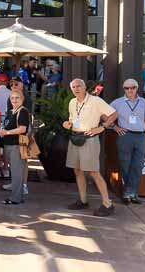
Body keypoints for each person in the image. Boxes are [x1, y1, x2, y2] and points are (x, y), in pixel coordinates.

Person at [63, 78, 117, 217]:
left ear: (85, 87)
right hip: (75, 138)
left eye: (78, 86)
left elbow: (114, 114)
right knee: (78, 171)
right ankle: (83, 200)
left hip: (89, 139)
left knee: (93, 172)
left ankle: (107, 204)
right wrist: (67, 124)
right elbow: (72, 118)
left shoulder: (95, 101)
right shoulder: (72, 102)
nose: (76, 89)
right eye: (73, 87)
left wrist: (102, 127)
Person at [110, 79, 145, 204]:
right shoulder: (117, 102)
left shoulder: (143, 102)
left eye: (132, 87)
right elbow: (105, 115)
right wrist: (115, 127)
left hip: (140, 136)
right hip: (125, 136)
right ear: (124, 89)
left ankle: (129, 193)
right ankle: (131, 193)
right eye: (127, 88)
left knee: (138, 166)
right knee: (125, 165)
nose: (130, 90)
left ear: (137, 88)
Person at [0, 90, 30, 205]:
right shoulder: (11, 111)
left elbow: (23, 129)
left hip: (17, 146)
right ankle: (18, 197)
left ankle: (15, 198)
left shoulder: (22, 112)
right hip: (10, 145)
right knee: (16, 172)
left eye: (17, 98)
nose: (15, 100)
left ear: (22, 99)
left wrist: (6, 133)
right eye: (12, 98)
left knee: (17, 173)